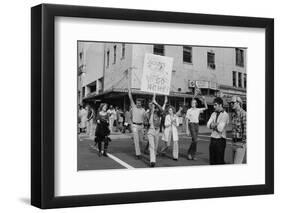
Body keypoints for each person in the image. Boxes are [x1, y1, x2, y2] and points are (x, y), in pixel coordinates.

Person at [127, 72, 146, 159]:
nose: (138, 104)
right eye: (137, 102)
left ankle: (141, 149)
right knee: (136, 140)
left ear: (141, 103)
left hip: (141, 126)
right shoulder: (133, 107)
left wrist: (145, 126)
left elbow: (145, 118)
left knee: (141, 141)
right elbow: (130, 97)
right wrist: (129, 90)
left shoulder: (143, 110)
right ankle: (138, 154)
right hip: (134, 125)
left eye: (139, 103)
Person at [207, 97, 229, 165]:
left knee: (219, 162)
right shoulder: (213, 113)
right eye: (214, 105)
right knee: (212, 162)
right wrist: (215, 124)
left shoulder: (225, 115)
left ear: (220, 105)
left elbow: (220, 128)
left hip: (220, 140)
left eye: (215, 105)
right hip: (213, 139)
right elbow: (208, 125)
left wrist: (213, 125)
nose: (214, 106)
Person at [230, 95, 247, 164]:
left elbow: (246, 131)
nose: (231, 104)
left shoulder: (244, 114)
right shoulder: (233, 115)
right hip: (233, 143)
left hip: (240, 144)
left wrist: (243, 143)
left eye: (233, 102)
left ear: (238, 103)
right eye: (230, 103)